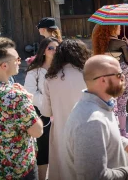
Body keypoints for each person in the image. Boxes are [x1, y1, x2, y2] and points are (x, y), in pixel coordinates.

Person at [63, 55, 128, 179]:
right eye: (118, 75)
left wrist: (125, 143)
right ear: (103, 80)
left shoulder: (99, 104)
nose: (124, 77)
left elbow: (105, 135)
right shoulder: (92, 121)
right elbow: (95, 177)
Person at [0, 37, 43, 179]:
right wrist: (29, 104)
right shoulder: (16, 96)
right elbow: (37, 131)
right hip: (18, 170)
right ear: (4, 66)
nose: (19, 62)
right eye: (17, 59)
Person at [41, 39, 90, 180]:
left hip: (62, 131)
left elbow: (46, 112)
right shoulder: (89, 74)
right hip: (88, 128)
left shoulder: (50, 78)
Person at [24, 37, 59, 180]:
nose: (54, 51)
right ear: (44, 50)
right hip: (42, 114)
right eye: (51, 48)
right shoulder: (35, 71)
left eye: (57, 48)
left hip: (61, 112)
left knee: (60, 149)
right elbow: (30, 92)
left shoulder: (63, 68)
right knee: (43, 151)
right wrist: (47, 105)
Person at [92, 24, 128, 139]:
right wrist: (127, 45)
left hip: (107, 73)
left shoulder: (100, 43)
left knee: (111, 102)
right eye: (118, 27)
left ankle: (112, 132)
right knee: (122, 102)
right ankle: (123, 132)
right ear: (113, 28)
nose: (120, 28)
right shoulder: (121, 43)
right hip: (123, 72)